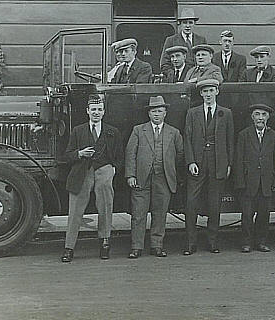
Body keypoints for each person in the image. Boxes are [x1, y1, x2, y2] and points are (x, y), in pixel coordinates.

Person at [61, 94, 123, 262]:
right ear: (87, 111)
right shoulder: (78, 130)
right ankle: (69, 248)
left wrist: (112, 169)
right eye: (93, 109)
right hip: (82, 172)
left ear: (104, 112)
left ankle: (105, 243)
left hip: (104, 170)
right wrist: (79, 153)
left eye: (100, 110)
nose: (96, 112)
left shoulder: (112, 131)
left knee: (105, 207)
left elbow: (119, 156)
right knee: (75, 211)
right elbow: (66, 155)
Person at [125, 96, 185, 259]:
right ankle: (136, 247)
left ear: (165, 113)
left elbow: (180, 154)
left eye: (159, 111)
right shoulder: (138, 130)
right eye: (153, 111)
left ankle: (156, 245)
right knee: (138, 213)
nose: (156, 114)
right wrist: (131, 175)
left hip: (163, 179)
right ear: (148, 113)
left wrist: (171, 170)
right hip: (141, 178)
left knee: (160, 213)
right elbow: (130, 153)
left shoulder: (173, 132)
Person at [183, 79, 234, 254]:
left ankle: (213, 241)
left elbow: (229, 141)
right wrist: (190, 161)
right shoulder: (192, 113)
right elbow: (187, 139)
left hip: (218, 162)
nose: (208, 94)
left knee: (214, 204)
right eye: (205, 92)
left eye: (211, 90)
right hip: (197, 162)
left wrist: (228, 164)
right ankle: (191, 242)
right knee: (191, 203)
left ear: (217, 92)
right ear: (201, 94)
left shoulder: (225, 113)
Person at [234, 103, 275, 253]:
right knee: (247, 215)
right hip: (249, 182)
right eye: (257, 114)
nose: (260, 118)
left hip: (266, 183)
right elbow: (238, 160)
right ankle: (246, 242)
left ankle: (261, 242)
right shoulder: (244, 135)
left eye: (263, 115)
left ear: (268, 117)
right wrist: (240, 182)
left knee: (263, 215)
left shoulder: (274, 136)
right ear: (252, 117)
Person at [160, 8, 207, 74]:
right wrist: (174, 75)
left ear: (194, 24)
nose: (187, 26)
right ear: (180, 24)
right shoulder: (171, 40)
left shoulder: (201, 40)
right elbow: (164, 64)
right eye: (185, 23)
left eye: (190, 23)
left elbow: (207, 61)